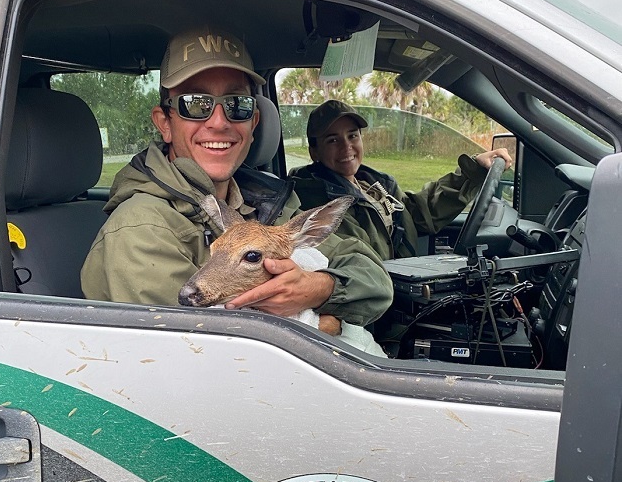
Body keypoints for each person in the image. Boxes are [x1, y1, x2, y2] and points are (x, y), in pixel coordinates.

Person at [81, 28, 393, 330]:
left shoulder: (266, 203)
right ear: (165, 122)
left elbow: (377, 283)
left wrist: (319, 287)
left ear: (253, 121)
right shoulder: (140, 230)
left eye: (236, 105)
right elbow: (205, 357)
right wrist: (324, 321)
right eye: (195, 104)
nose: (219, 122)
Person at [290, 99, 513, 261]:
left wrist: (472, 171)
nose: (347, 147)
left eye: (353, 135)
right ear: (314, 152)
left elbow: (417, 214)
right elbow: (362, 261)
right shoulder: (318, 201)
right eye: (332, 140)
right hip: (385, 307)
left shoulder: (370, 184)